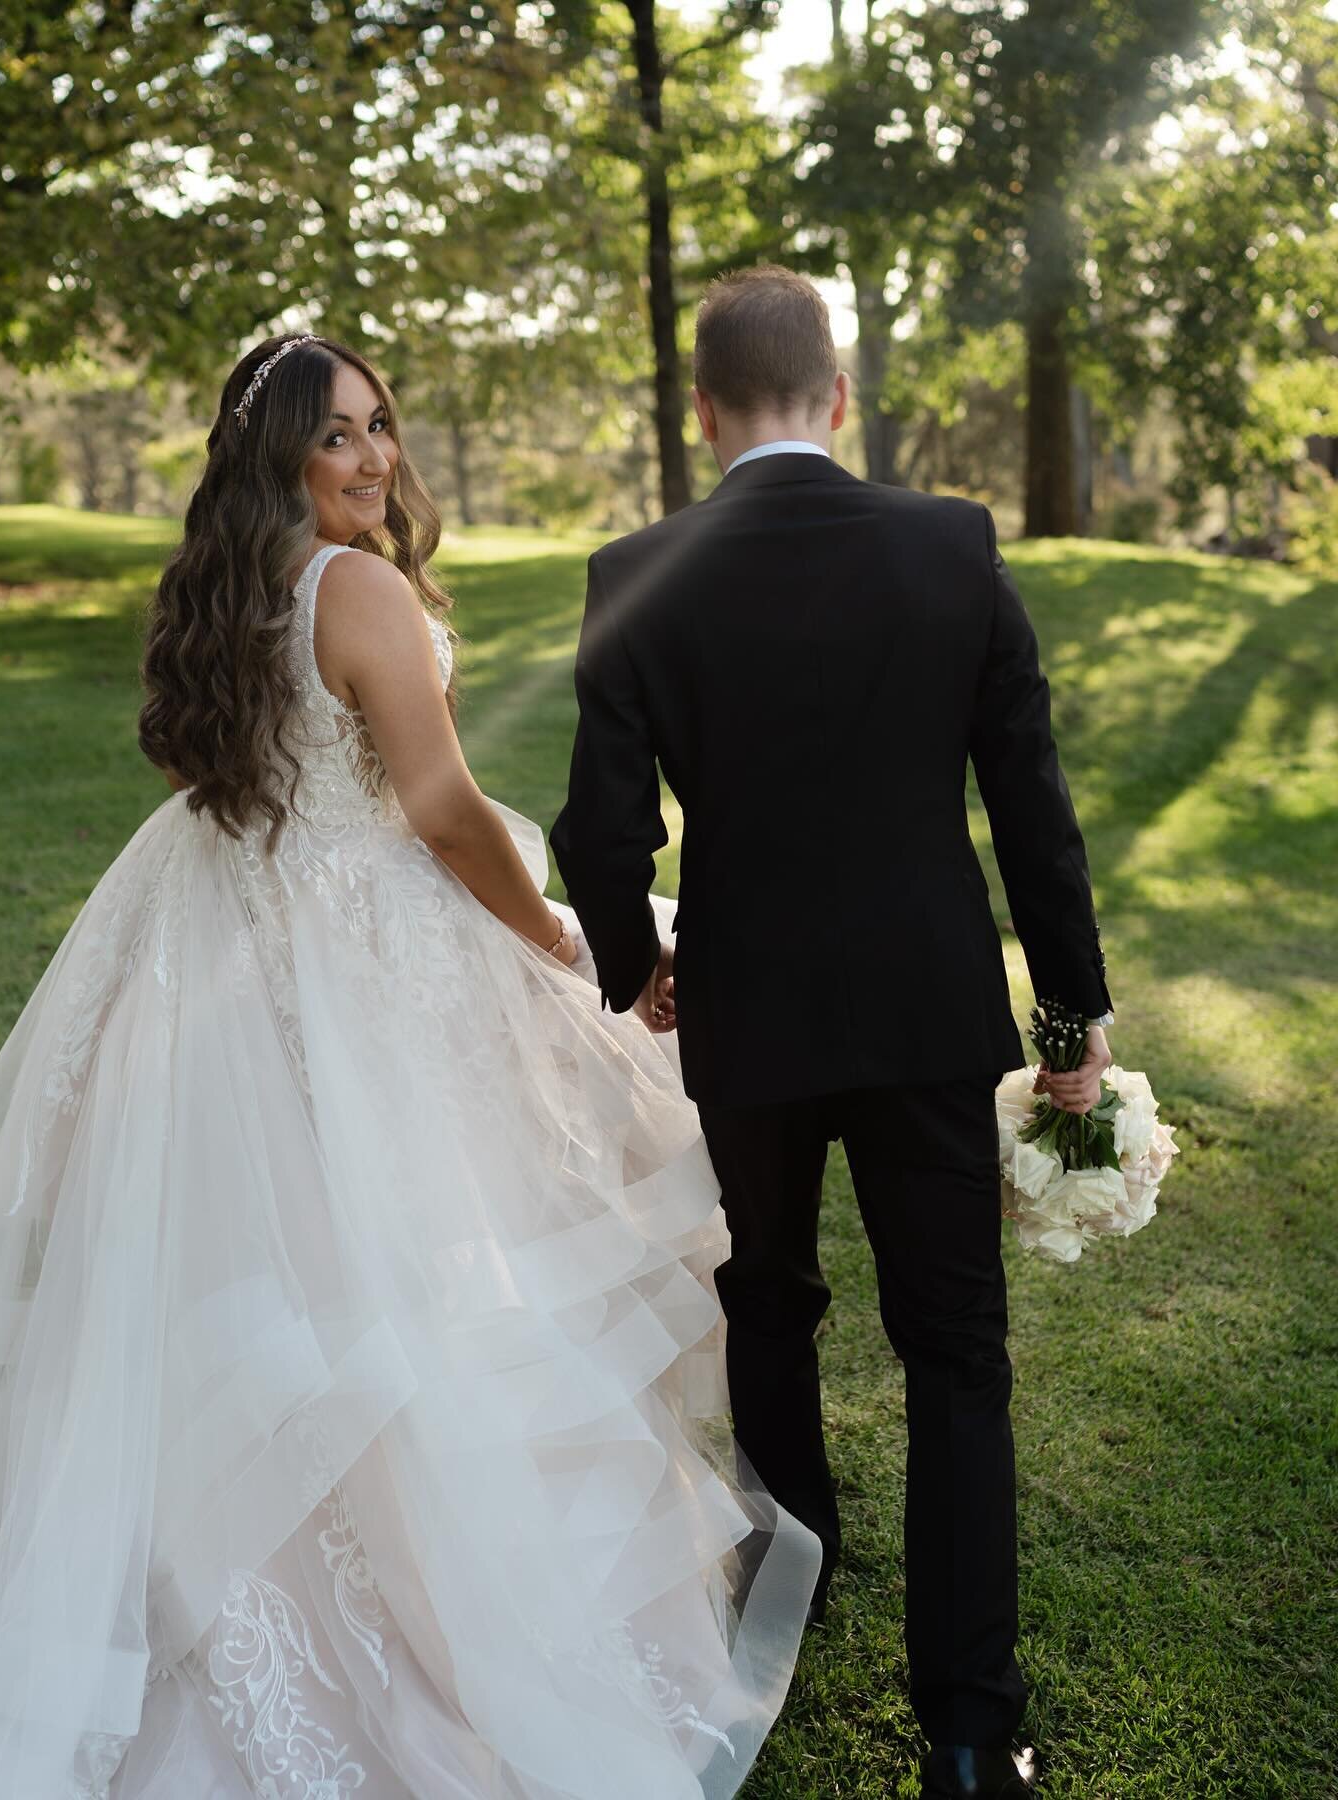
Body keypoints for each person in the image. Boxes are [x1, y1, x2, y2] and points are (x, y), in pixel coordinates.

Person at [0, 332, 821, 1800]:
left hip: (244, 930)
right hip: (366, 944)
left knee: (291, 1266)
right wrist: (565, 947)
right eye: (339, 437)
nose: (376, 458)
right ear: (281, 458)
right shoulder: (357, 585)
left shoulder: (233, 591)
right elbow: (446, 806)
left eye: (383, 426)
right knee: (426, 1267)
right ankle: (414, 1614)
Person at [551, 266, 1114, 1800]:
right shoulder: (950, 544)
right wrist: (1070, 1021)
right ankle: (968, 1730)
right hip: (931, 1005)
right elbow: (1031, 804)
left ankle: (785, 1609)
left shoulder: (637, 571)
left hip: (751, 1008)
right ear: (839, 397)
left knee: (771, 1303)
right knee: (956, 1352)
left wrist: (635, 969)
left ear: (703, 409)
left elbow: (603, 836)